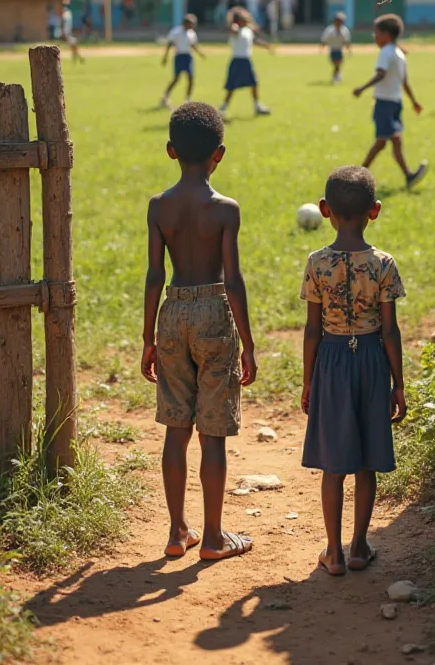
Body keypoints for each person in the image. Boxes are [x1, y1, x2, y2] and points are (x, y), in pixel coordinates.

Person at [142, 103, 258, 561]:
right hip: (214, 314)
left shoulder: (158, 207)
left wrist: (148, 337)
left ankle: (176, 532)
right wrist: (247, 344)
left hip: (172, 312)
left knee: (176, 429)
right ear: (220, 154)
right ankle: (212, 538)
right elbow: (233, 279)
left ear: (171, 151)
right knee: (212, 434)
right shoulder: (225, 210)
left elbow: (154, 274)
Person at [300, 165, 407, 576]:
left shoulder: (317, 263)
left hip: (330, 358)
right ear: (374, 211)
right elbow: (390, 330)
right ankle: (360, 546)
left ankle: (334, 552)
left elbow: (312, 329)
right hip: (372, 359)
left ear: (325, 210)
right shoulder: (383, 264)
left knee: (334, 464)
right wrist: (398, 384)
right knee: (366, 461)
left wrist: (309, 380)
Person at [353, 14, 428, 189]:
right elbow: (405, 82)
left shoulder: (386, 52)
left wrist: (362, 88)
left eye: (376, 33)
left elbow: (381, 74)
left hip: (385, 103)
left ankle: (357, 177)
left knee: (382, 142)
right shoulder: (399, 53)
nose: (374, 37)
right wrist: (413, 101)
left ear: (386, 35)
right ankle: (408, 175)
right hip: (395, 103)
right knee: (392, 141)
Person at [219, 7, 271, 118]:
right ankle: (223, 108)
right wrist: (234, 26)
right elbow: (233, 29)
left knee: (254, 83)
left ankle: (257, 106)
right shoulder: (236, 30)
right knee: (231, 87)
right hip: (237, 60)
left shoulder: (247, 31)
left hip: (246, 60)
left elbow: (254, 41)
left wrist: (265, 45)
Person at [160, 14, 206, 108]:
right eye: (191, 24)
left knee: (190, 78)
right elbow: (170, 44)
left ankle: (187, 99)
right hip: (179, 56)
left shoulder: (191, 33)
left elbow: (193, 45)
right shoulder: (176, 32)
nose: (192, 26)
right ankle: (165, 96)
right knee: (176, 79)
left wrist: (200, 53)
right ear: (186, 23)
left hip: (188, 57)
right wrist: (165, 57)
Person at [320, 12, 352, 83]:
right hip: (333, 50)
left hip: (339, 50)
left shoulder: (344, 30)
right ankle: (336, 76)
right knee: (336, 64)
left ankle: (336, 76)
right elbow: (324, 39)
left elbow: (346, 41)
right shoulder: (330, 30)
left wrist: (349, 49)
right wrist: (322, 47)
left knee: (338, 64)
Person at [60, 0, 84, 64]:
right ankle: (78, 59)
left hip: (68, 32)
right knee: (74, 46)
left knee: (74, 46)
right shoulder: (65, 11)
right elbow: (63, 22)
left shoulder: (67, 11)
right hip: (66, 33)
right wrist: (63, 32)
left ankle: (77, 59)